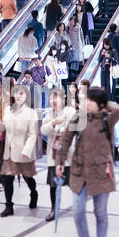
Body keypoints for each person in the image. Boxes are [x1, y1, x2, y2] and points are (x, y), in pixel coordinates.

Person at [56, 87, 119, 237]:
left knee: (100, 212)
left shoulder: (107, 120)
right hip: (79, 171)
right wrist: (60, 162)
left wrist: (102, 99)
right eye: (85, 100)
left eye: (90, 100)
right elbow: (65, 140)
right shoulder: (78, 118)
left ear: (99, 104)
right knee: (78, 211)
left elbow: (118, 109)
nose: (86, 103)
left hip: (101, 173)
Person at [0, 84, 39, 217]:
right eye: (15, 93)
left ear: (26, 96)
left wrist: (26, 150)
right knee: (7, 178)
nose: (17, 96)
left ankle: (34, 193)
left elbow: (33, 135)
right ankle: (9, 205)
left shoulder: (31, 113)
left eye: (21, 94)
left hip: (23, 151)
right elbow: (5, 128)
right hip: (9, 151)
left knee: (28, 177)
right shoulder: (8, 110)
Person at [41, 89, 76, 221]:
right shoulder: (50, 113)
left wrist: (59, 128)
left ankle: (79, 207)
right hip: (53, 154)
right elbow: (44, 130)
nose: (53, 101)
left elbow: (74, 130)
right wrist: (53, 123)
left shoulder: (71, 112)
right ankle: (53, 209)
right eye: (51, 99)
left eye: (56, 98)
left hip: (68, 153)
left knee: (74, 183)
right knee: (53, 184)